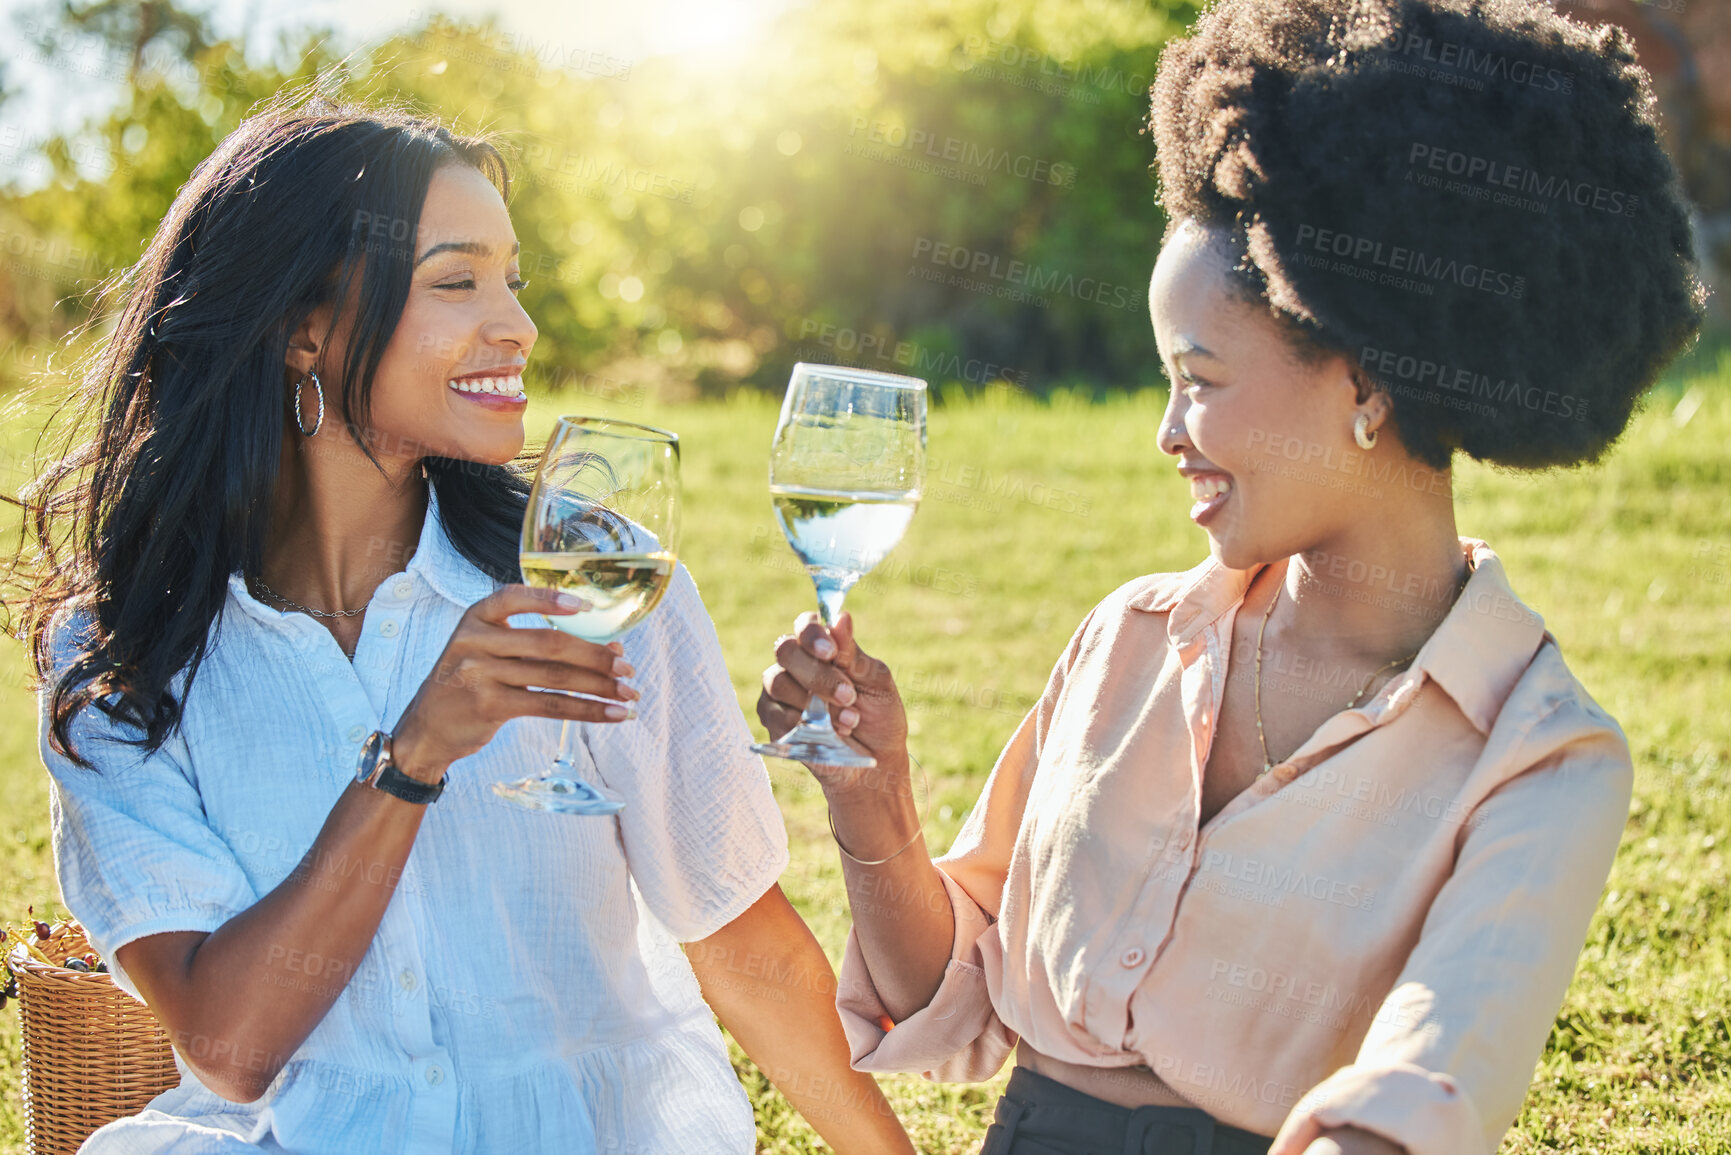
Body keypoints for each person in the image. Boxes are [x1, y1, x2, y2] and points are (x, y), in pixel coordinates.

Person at [756, 1, 1705, 1153]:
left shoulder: (1540, 753)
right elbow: (955, 992)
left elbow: (1432, 1086)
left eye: (1198, 380)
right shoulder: (1131, 640)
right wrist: (873, 798)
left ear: (1365, 388)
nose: (1167, 433)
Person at [7, 92, 912, 1154]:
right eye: (456, 282)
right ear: (303, 329)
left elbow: (736, 937)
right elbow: (230, 1047)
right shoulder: (123, 654)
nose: (518, 326)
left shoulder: (593, 576)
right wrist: (413, 757)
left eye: (512, 282)